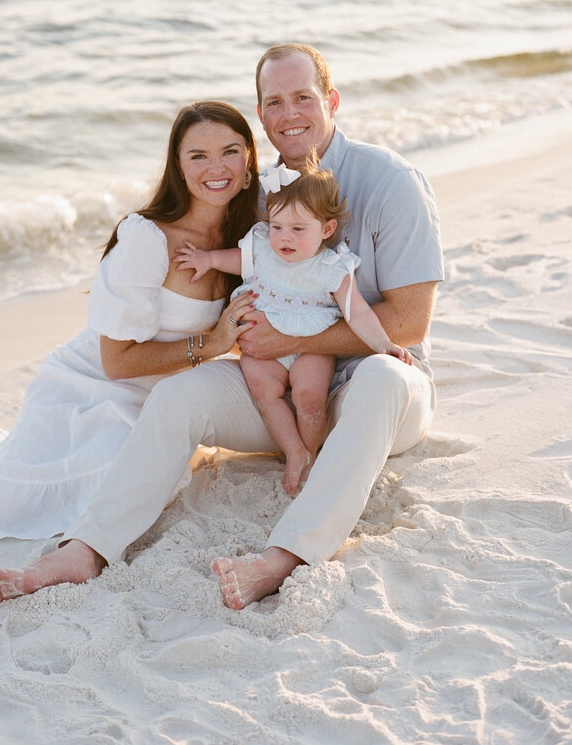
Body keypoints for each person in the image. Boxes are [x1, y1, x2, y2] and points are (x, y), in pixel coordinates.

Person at [0, 44, 444, 609]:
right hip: (281, 386)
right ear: (261, 117)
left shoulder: (392, 182)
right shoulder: (261, 198)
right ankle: (87, 549)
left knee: (384, 378)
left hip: (379, 398)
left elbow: (408, 321)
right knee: (180, 394)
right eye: (273, 102)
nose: (290, 113)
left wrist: (298, 341)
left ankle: (285, 558)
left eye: (304, 97)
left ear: (332, 102)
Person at [0, 101, 259, 544]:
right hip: (91, 389)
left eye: (230, 151)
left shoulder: (249, 237)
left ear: (249, 159)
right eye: (198, 156)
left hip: (168, 397)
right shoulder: (148, 239)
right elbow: (116, 362)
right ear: (178, 166)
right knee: (39, 495)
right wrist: (211, 344)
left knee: (147, 469)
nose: (217, 168)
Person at [174, 160, 413, 496]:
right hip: (261, 342)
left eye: (298, 229)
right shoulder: (261, 248)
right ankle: (294, 452)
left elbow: (357, 312)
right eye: (277, 227)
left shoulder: (332, 268)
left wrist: (383, 344)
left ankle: (311, 453)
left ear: (327, 229)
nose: (284, 237)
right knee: (264, 394)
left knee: (309, 398)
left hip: (310, 346)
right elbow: (232, 259)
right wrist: (207, 259)